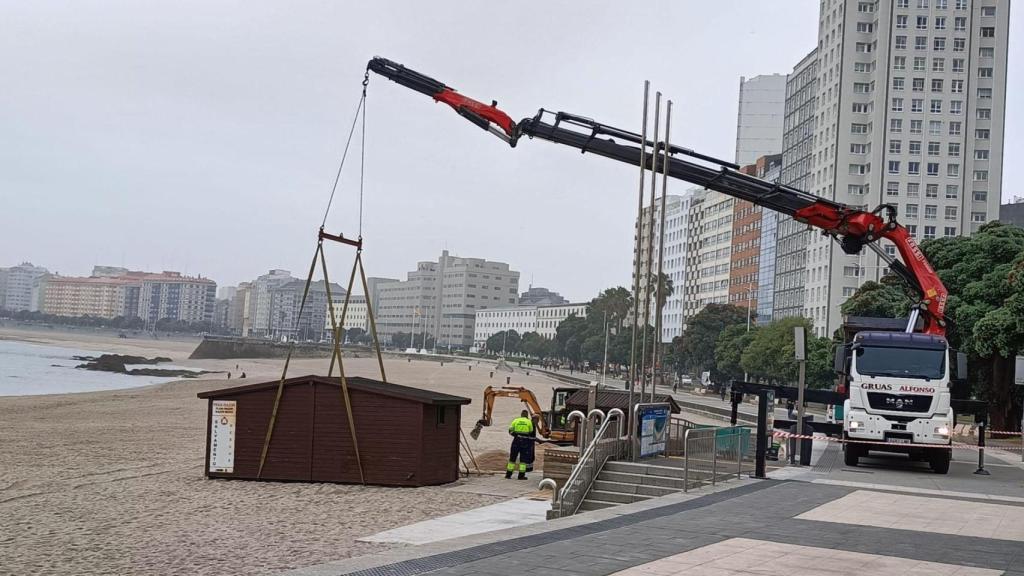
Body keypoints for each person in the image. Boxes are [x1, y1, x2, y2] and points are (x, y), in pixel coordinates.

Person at [506, 410, 534, 480]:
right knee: (523, 460)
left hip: (516, 441)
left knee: (512, 458)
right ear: (527, 415)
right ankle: (521, 476)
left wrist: (516, 435)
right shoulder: (529, 421)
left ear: (521, 415)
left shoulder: (515, 420)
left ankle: (508, 475)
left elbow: (510, 431)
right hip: (525, 442)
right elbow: (531, 431)